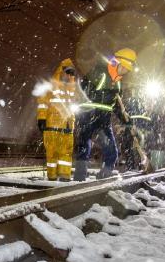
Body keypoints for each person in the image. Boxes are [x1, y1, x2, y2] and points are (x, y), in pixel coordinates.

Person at [73, 48, 138, 181]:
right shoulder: (100, 73)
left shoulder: (118, 83)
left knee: (112, 152)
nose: (125, 71)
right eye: (124, 67)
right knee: (85, 146)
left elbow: (116, 107)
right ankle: (79, 178)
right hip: (89, 113)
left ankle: (104, 177)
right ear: (116, 62)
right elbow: (83, 89)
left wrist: (126, 121)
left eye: (127, 69)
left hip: (104, 118)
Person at [36, 59, 84, 181]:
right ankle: (52, 177)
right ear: (61, 71)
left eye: (72, 73)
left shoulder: (73, 89)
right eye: (67, 72)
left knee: (66, 154)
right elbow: (42, 103)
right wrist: (41, 119)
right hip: (51, 125)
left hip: (67, 127)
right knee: (52, 154)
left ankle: (64, 177)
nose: (69, 75)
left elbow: (77, 105)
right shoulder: (51, 85)